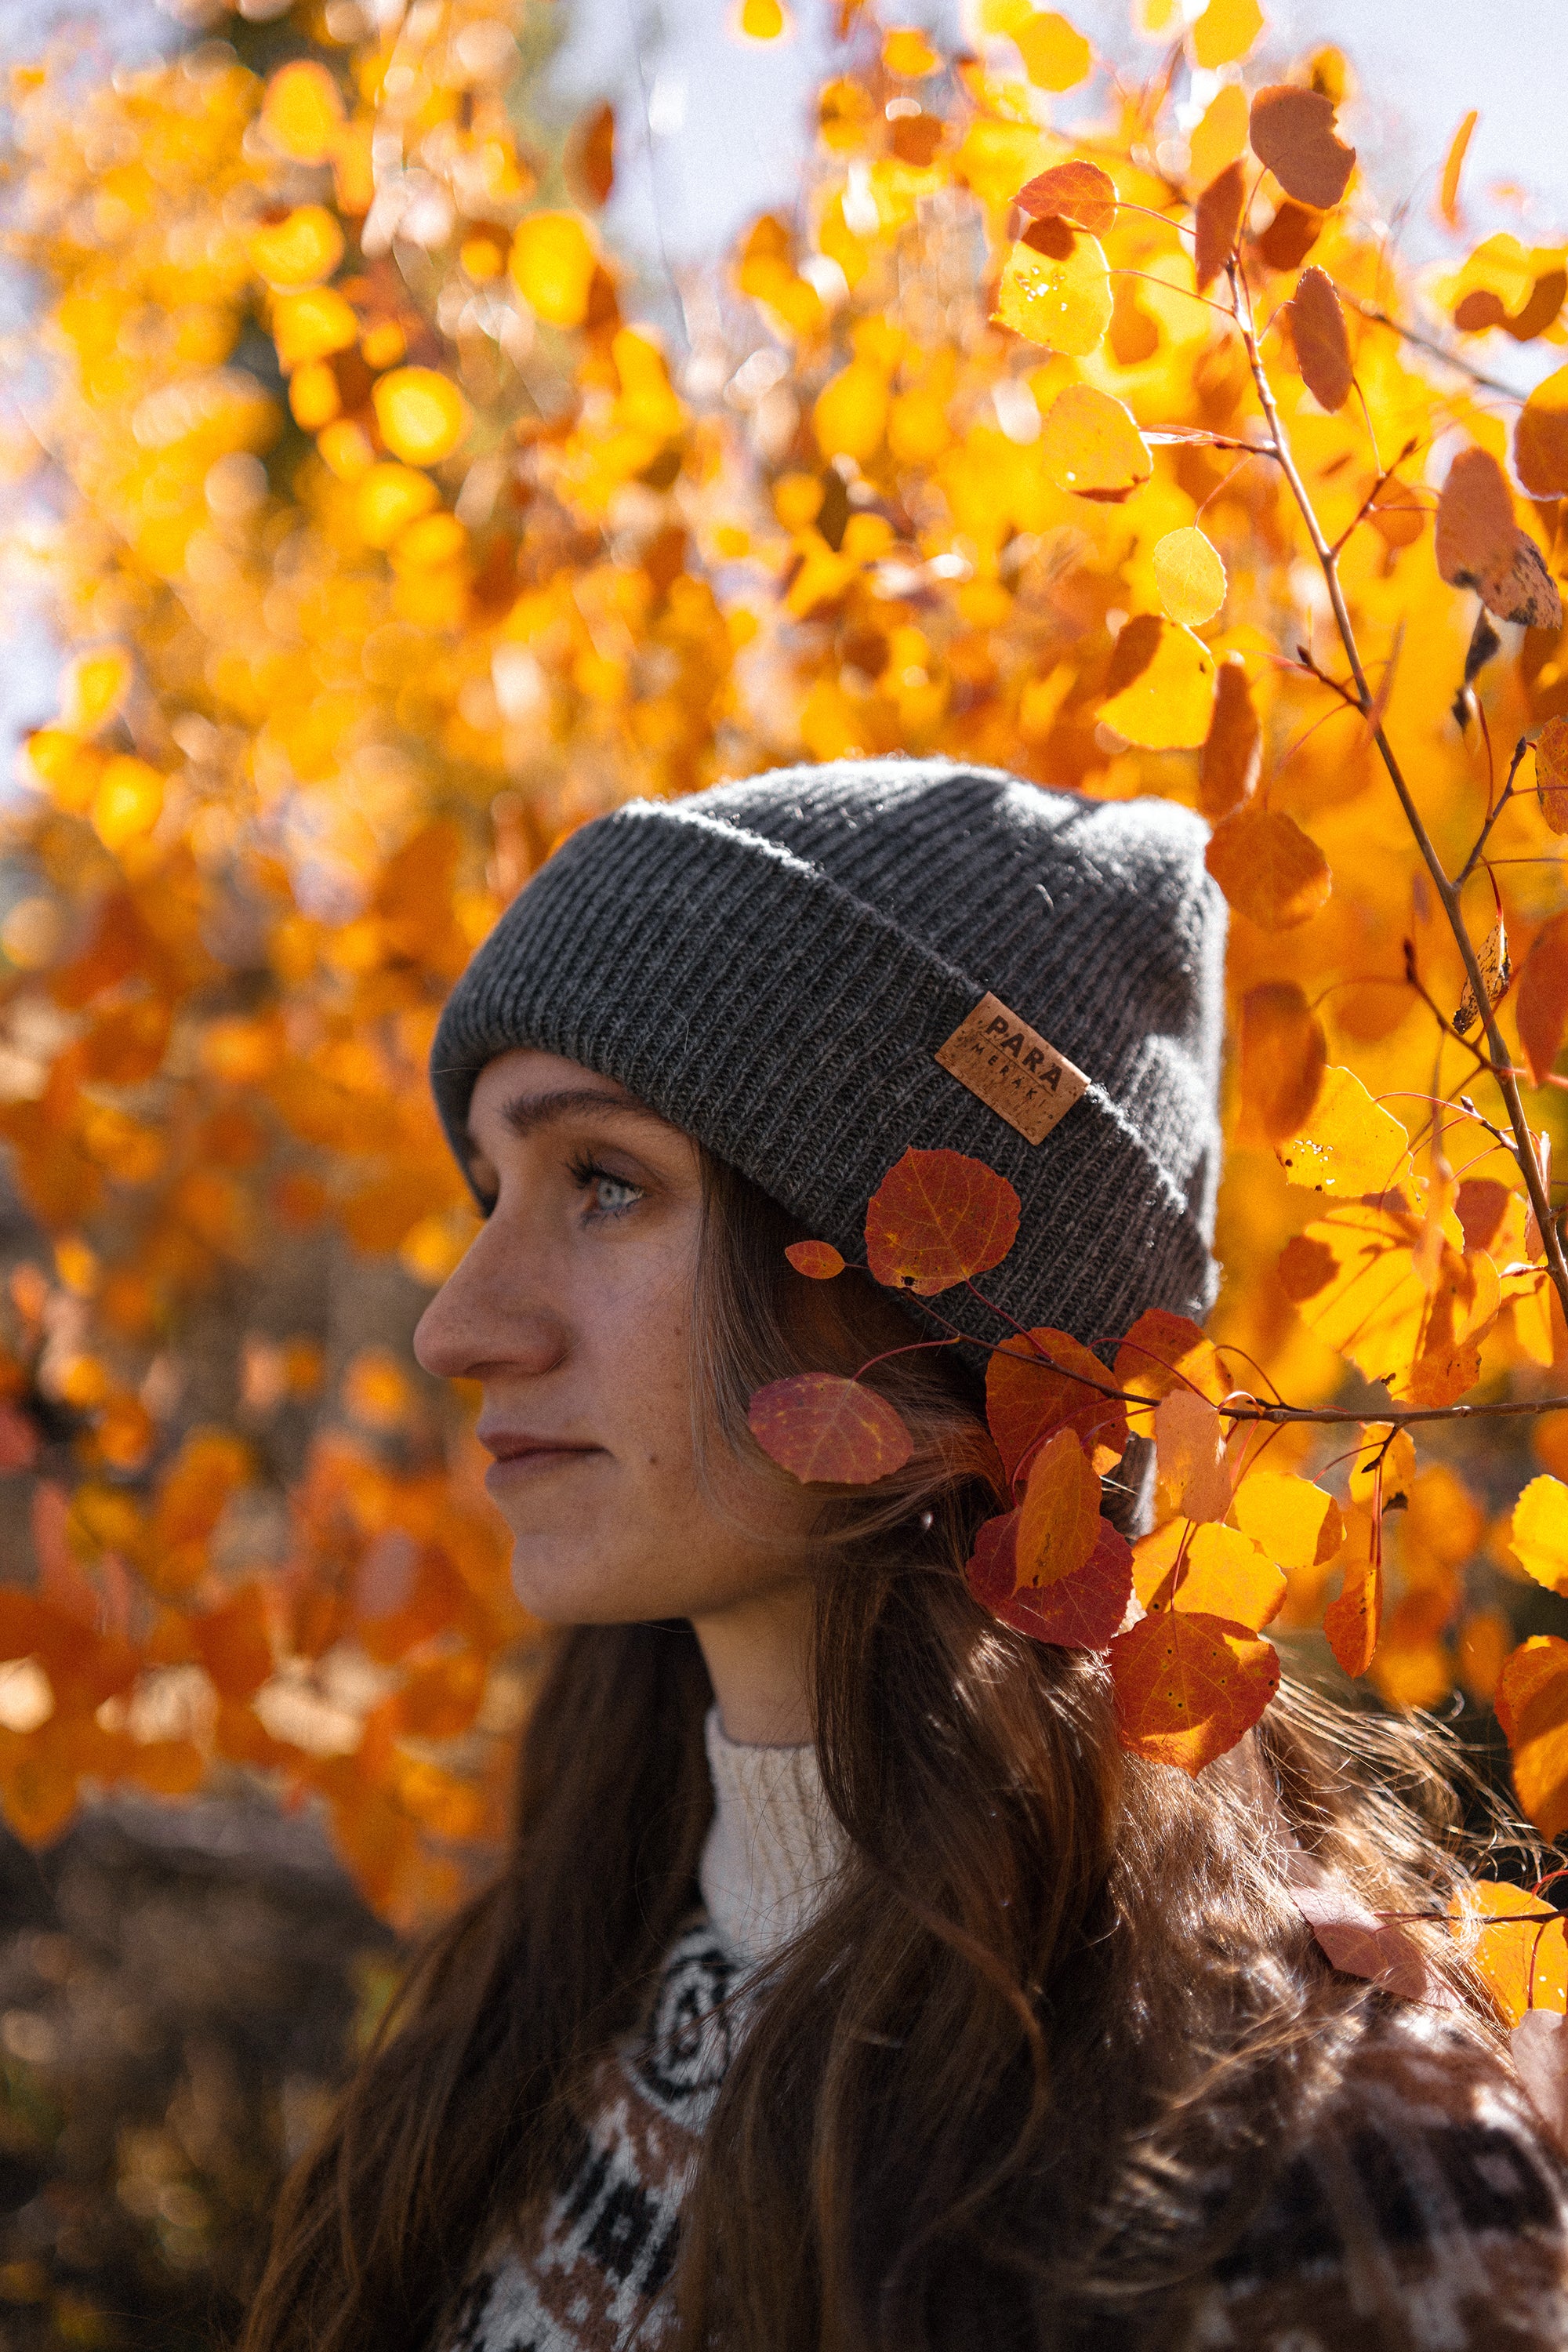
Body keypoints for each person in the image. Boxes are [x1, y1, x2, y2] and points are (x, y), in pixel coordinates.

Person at [241, 759, 1568, 2352]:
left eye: (603, 1181)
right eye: (490, 1188)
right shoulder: (543, 1991)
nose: (458, 1326)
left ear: (924, 1299)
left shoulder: (1318, 2150)